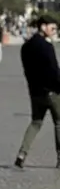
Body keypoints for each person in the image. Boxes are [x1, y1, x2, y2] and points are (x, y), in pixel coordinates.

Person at [15, 15, 60, 168]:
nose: (54, 31)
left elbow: (27, 71)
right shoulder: (47, 47)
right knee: (59, 122)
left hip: (35, 92)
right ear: (43, 27)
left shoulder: (25, 47)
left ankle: (22, 153)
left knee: (35, 122)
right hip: (52, 92)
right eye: (52, 28)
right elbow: (54, 71)